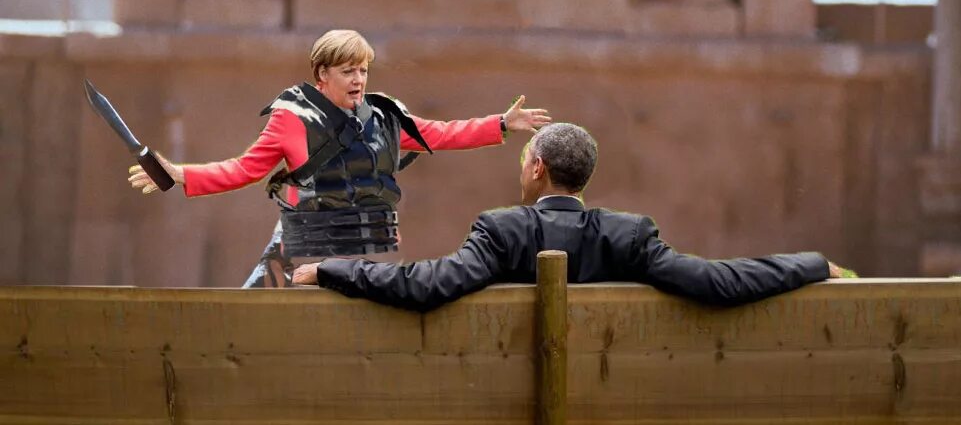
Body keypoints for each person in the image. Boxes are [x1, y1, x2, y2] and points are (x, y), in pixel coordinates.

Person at [128, 29, 551, 287]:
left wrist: (500, 123)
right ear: (322, 76)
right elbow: (243, 169)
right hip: (301, 253)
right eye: (348, 70)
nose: (358, 79)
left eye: (363, 70)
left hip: (367, 255)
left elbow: (439, 133)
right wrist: (179, 174)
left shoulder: (385, 116)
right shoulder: (290, 120)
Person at [292, 123, 845, 310]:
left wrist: (334, 269)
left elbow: (428, 286)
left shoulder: (501, 229)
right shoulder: (629, 235)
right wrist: (813, 265)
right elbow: (719, 282)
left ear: (536, 167)